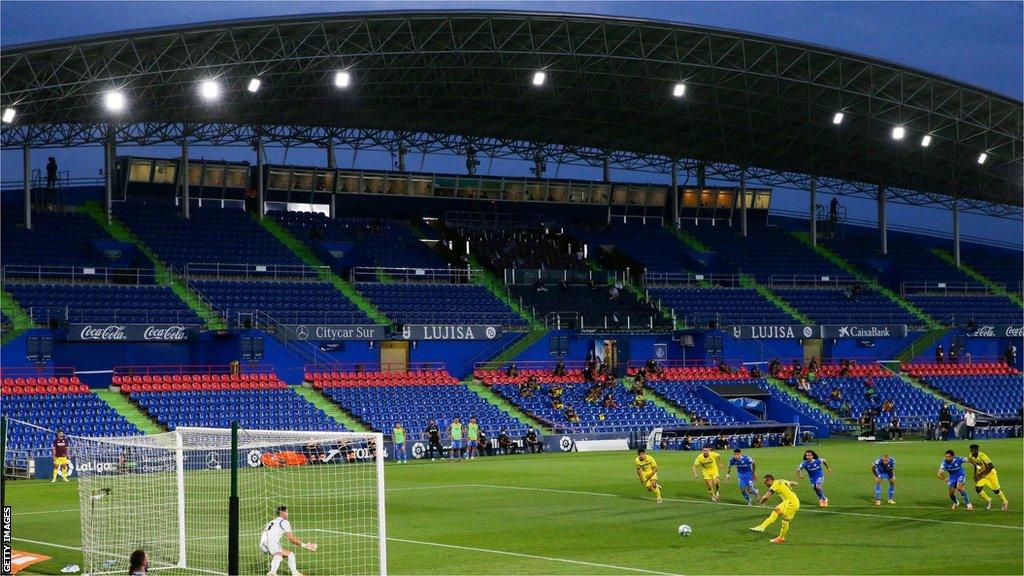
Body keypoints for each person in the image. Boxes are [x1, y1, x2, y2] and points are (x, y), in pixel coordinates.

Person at [260, 506, 316, 576]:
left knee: (278, 556)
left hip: (262, 544)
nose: (287, 513)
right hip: (271, 542)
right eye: (286, 512)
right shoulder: (284, 522)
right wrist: (304, 545)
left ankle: (272, 573)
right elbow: (291, 538)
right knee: (290, 554)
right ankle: (295, 574)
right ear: (282, 513)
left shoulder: (272, 521)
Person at [749, 474, 800, 544]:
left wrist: (761, 502)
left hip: (792, 504)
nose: (766, 485)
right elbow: (791, 483)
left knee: (785, 520)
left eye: (766, 483)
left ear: (769, 480)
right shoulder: (781, 480)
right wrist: (795, 483)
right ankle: (762, 527)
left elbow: (766, 496)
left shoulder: (775, 485)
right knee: (775, 512)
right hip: (787, 502)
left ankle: (781, 537)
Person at [968, 444, 1009, 511]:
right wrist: (975, 474)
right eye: (971, 450)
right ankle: (989, 500)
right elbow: (976, 465)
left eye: (973, 450)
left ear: (977, 450)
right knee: (978, 488)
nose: (972, 452)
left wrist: (980, 474)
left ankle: (1005, 501)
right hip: (983, 475)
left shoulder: (982, 456)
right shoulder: (971, 456)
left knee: (996, 490)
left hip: (991, 474)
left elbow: (991, 466)